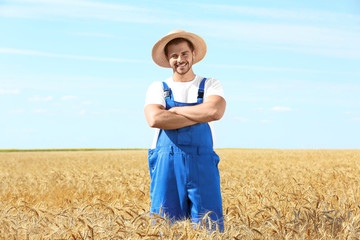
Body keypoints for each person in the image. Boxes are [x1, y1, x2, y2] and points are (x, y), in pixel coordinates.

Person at [144, 30, 226, 231]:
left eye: (184, 53)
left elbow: (215, 111)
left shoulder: (210, 84)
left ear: (193, 54)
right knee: (165, 228)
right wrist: (199, 113)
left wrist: (175, 112)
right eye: (174, 55)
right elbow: (155, 118)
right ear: (167, 59)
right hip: (166, 163)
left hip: (202, 162)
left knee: (210, 227)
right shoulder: (158, 87)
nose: (179, 59)